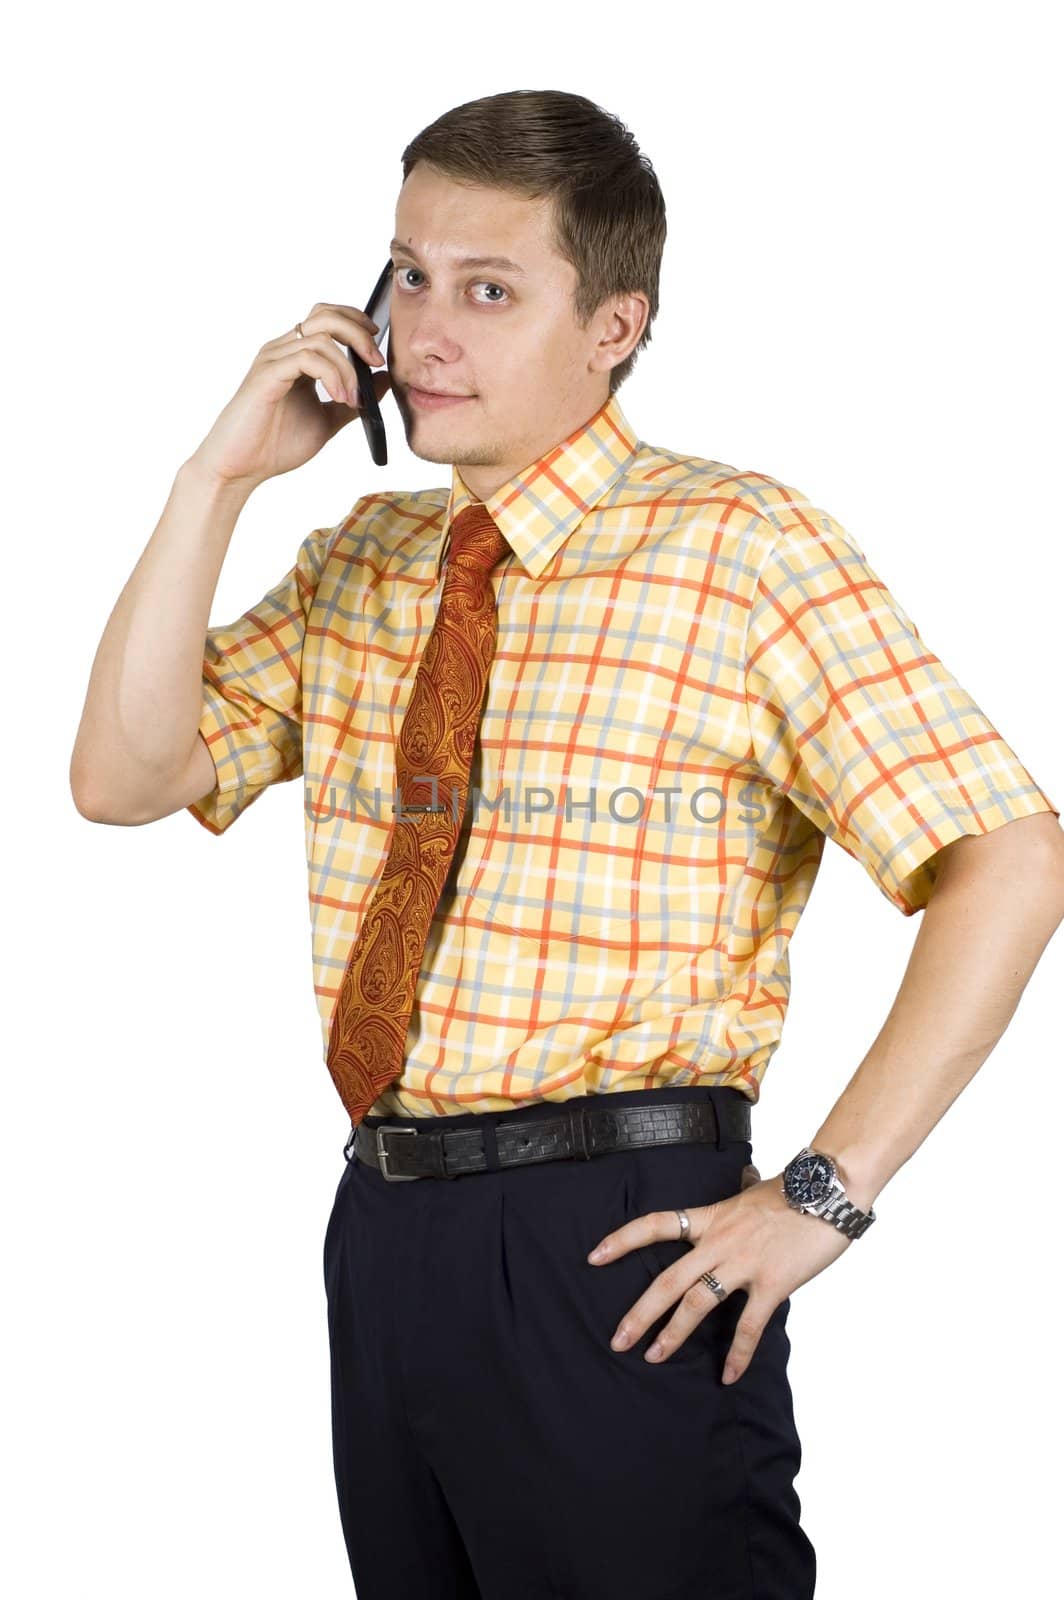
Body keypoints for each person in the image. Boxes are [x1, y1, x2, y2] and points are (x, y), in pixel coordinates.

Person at [69, 88, 1064, 1600]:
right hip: (387, 1229)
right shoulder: (366, 559)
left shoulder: (738, 549)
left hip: (617, 1241)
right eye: (408, 274)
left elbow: (1010, 852)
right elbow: (124, 778)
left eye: (489, 289)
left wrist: (825, 1198)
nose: (426, 330)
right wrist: (214, 483)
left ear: (614, 327)